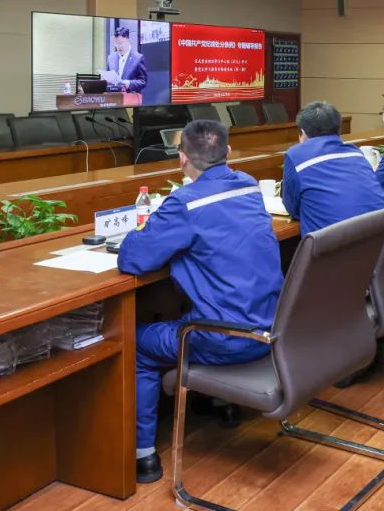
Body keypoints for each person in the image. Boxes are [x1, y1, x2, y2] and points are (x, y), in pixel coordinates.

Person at [118, 120, 283, 484]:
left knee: (135, 342)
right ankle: (223, 405)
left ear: (182, 159)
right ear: (228, 152)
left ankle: (142, 456)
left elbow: (132, 260)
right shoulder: (249, 185)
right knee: (200, 305)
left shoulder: (184, 202)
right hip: (272, 327)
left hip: (223, 339)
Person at [281, 101, 384, 235]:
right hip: (382, 238)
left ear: (302, 132)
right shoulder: (355, 152)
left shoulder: (296, 155)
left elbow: (292, 208)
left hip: (337, 244)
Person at [104, 25, 147, 95]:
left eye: (121, 43)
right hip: (113, 97)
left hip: (130, 98)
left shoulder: (138, 58)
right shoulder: (111, 58)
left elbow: (143, 81)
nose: (118, 46)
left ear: (128, 40)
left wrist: (129, 83)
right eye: (116, 43)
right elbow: (107, 79)